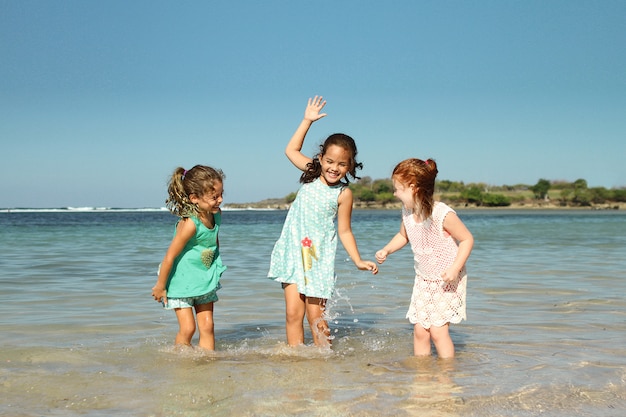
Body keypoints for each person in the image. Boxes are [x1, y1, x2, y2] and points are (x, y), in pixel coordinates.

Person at [268, 96, 379, 347]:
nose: (334, 168)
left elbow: (345, 231)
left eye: (342, 164)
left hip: (317, 258)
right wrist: (307, 120)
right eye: (329, 161)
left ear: (350, 166)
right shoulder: (311, 174)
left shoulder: (343, 193)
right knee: (292, 314)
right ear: (320, 158)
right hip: (293, 252)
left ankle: (323, 360)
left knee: (315, 316)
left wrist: (358, 260)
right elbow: (290, 150)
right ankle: (297, 361)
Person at [375, 158, 473, 358]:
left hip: (447, 279)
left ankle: (446, 375)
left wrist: (455, 268)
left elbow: (467, 239)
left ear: (414, 187)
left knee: (438, 331)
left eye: (397, 189)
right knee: (420, 331)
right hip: (423, 280)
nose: (394, 193)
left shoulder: (441, 213)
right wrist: (387, 250)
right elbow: (403, 236)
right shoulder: (407, 212)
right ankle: (422, 374)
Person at [151, 165, 227, 351]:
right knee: (188, 328)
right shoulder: (190, 224)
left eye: (221, 194)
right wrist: (160, 286)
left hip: (203, 279)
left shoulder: (216, 216)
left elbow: (213, 244)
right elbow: (170, 256)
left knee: (208, 326)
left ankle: (208, 363)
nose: (220, 200)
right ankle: (182, 364)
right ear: (194, 198)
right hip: (181, 282)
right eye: (214, 197)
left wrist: (214, 268)